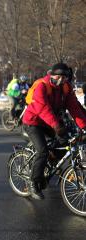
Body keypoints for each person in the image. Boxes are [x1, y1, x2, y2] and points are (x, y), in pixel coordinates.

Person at [23, 63, 86, 200]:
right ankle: (34, 182)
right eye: (60, 78)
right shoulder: (42, 86)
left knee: (65, 141)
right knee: (42, 151)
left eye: (65, 79)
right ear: (53, 75)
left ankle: (51, 161)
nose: (62, 81)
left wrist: (84, 125)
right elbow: (43, 108)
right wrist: (57, 125)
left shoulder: (65, 88)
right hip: (34, 122)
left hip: (50, 122)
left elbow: (74, 107)